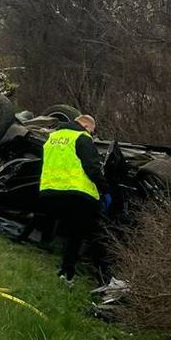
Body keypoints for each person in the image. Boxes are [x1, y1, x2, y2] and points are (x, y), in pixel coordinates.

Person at [39, 114, 105, 284]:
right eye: (92, 131)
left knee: (61, 228)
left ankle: (45, 247)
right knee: (80, 234)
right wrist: (105, 190)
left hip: (49, 191)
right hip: (77, 194)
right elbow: (92, 168)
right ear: (87, 126)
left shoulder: (53, 136)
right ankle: (69, 273)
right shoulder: (82, 137)